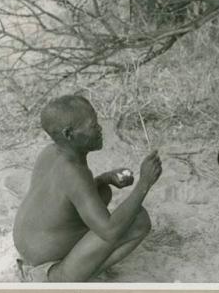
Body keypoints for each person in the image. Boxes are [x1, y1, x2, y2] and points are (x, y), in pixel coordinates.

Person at [13, 95, 162, 282]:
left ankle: (71, 268)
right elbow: (110, 232)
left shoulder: (50, 153)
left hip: (30, 254)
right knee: (139, 219)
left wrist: (104, 179)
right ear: (69, 134)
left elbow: (63, 199)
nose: (100, 128)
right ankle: (73, 277)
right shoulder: (74, 174)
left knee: (103, 192)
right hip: (48, 273)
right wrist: (144, 183)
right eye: (92, 125)